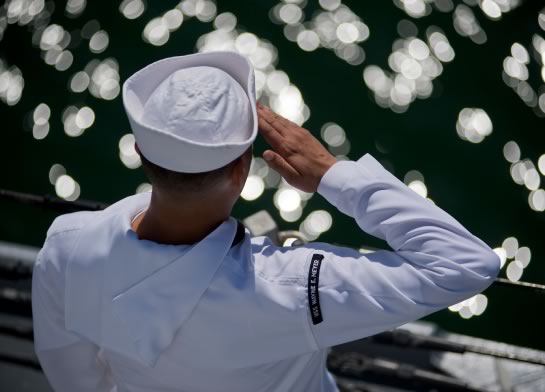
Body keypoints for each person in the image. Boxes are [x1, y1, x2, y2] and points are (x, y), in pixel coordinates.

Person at [31, 51, 500, 392]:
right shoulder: (292, 287)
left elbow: (70, 371)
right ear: (243, 169)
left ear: (140, 153)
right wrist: (333, 173)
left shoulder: (66, 246)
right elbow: (465, 264)